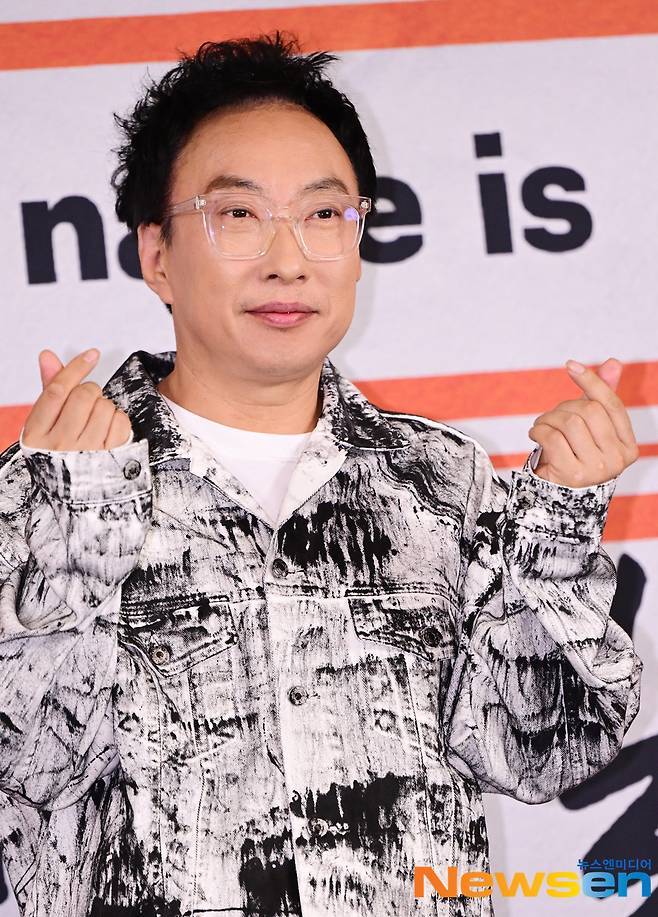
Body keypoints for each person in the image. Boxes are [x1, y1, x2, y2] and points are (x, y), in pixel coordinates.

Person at [0, 31, 642, 917]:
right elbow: (28, 762)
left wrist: (559, 527)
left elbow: (542, 754)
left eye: (324, 214)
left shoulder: (441, 480)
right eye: (238, 214)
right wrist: (73, 538)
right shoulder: (45, 488)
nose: (288, 258)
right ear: (156, 255)